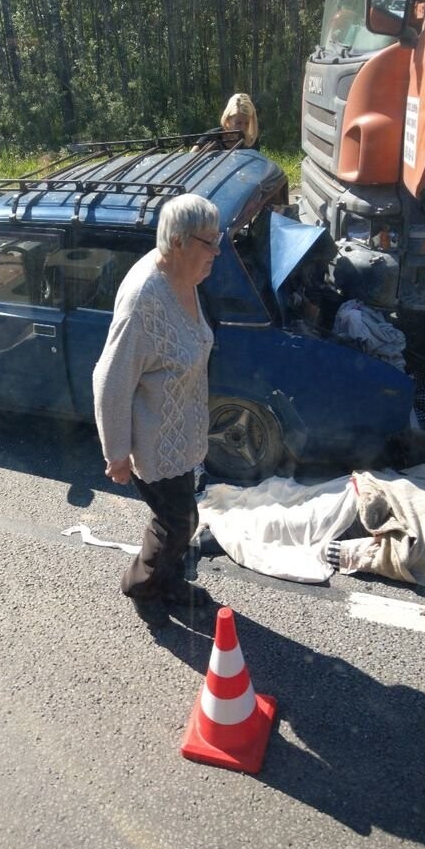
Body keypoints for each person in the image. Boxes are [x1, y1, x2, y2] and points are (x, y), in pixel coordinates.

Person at [92, 194, 220, 628]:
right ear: (180, 241)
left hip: (180, 433)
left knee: (180, 519)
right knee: (177, 521)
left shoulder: (184, 275)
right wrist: (116, 453)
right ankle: (143, 585)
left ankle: (165, 580)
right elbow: (109, 380)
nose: (217, 252)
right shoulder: (145, 300)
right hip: (154, 442)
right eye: (210, 243)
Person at [191, 92, 260, 152]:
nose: (243, 127)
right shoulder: (211, 137)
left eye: (247, 123)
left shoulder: (252, 142)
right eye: (238, 123)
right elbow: (189, 158)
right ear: (228, 120)